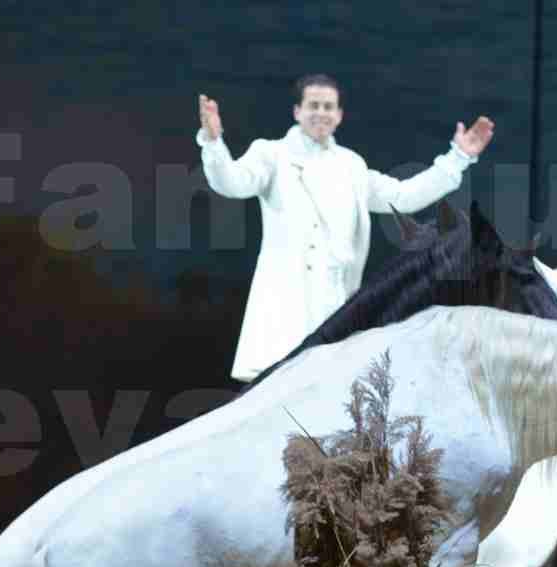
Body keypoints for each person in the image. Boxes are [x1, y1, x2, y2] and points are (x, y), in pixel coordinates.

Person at [197, 74, 494, 383]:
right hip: (287, 303)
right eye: (313, 105)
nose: (321, 113)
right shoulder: (271, 154)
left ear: (339, 115)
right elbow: (231, 182)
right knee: (276, 397)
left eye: (328, 106)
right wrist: (213, 143)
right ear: (297, 111)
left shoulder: (351, 165)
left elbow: (403, 196)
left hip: (336, 301)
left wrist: (457, 158)